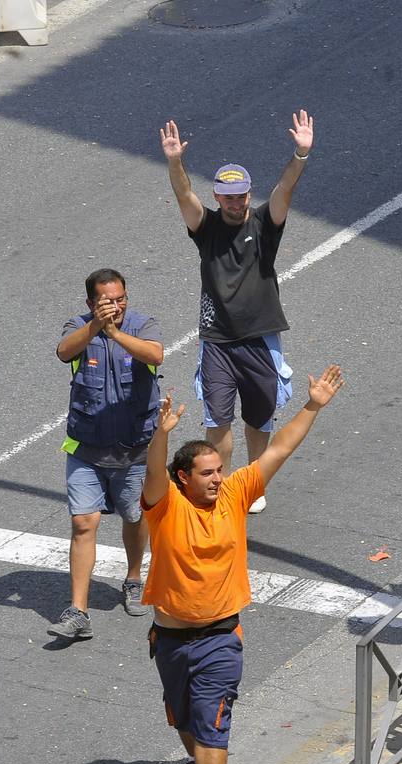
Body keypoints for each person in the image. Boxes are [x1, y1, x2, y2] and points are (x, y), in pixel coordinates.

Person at [140, 363, 344, 764]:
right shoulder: (165, 505)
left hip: (220, 638)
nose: (216, 479)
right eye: (206, 473)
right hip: (170, 638)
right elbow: (152, 472)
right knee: (183, 717)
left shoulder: (235, 493)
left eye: (219, 471)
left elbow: (279, 449)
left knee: (213, 716)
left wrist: (312, 406)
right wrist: (161, 435)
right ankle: (197, 763)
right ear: (183, 479)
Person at [159, 109, 315, 514]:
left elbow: (284, 189)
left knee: (259, 419)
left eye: (241, 195)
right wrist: (176, 162)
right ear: (218, 197)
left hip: (260, 338)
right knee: (218, 419)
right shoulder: (206, 227)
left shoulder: (265, 223)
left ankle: (253, 482)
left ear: (249, 193)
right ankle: (220, 488)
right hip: (218, 340)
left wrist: (300, 155)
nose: (235, 202)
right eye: (227, 196)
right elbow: (183, 196)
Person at [47, 268, 164, 641]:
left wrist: (116, 333)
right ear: (90, 303)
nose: (115, 305)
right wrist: (96, 328)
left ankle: (133, 577)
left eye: (120, 298)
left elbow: (156, 355)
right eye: (106, 300)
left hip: (133, 450)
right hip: (86, 447)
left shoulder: (142, 325)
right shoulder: (78, 325)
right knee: (83, 523)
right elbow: (64, 351)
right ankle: (78, 611)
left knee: (134, 514)